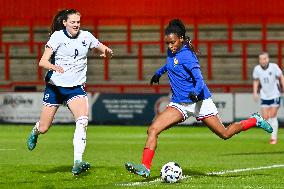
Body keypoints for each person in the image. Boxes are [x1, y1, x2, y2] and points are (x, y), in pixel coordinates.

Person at [124, 19, 273, 178]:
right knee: (152, 129)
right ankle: (145, 167)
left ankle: (254, 120)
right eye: (167, 43)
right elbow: (170, 64)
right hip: (179, 104)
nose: (169, 46)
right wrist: (158, 73)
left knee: (224, 134)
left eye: (172, 42)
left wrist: (195, 92)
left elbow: (199, 80)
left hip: (199, 102)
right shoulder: (172, 51)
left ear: (181, 39)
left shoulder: (188, 57)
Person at [26, 9, 113, 175]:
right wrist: (54, 67)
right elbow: (42, 62)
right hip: (55, 87)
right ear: (65, 23)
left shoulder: (86, 36)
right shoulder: (57, 36)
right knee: (44, 127)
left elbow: (102, 49)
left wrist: (106, 53)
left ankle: (77, 162)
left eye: (78, 22)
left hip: (76, 88)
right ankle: (35, 131)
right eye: (72, 22)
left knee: (82, 121)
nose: (76, 25)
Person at [253, 52, 284, 144]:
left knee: (273, 115)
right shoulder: (257, 69)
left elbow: (281, 76)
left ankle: (273, 138)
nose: (263, 60)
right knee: (265, 117)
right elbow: (256, 81)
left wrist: (283, 85)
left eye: (264, 58)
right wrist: (255, 92)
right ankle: (273, 131)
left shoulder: (274, 67)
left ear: (268, 59)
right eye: (261, 59)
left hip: (275, 94)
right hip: (264, 95)